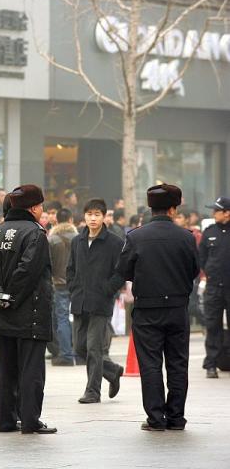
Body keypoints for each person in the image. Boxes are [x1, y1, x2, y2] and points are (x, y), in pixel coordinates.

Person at [116, 184, 199, 431]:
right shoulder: (186, 236)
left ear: (150, 208)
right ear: (173, 209)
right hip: (177, 307)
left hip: (147, 309)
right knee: (177, 363)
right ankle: (176, 418)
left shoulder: (135, 236)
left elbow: (124, 271)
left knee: (150, 364)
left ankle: (155, 418)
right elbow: (194, 270)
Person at [0, 184, 56, 434]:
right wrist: (11, 296)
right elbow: (28, 271)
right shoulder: (35, 233)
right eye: (41, 206)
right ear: (34, 208)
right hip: (29, 312)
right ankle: (30, 421)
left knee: (5, 369)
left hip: (2, 313)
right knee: (31, 369)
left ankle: (5, 421)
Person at [67, 199, 125, 403]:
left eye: (97, 214)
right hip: (80, 302)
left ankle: (93, 391)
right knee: (79, 348)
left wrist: (107, 290)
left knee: (93, 348)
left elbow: (120, 273)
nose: (93, 218)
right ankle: (112, 371)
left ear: (103, 216)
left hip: (100, 303)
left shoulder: (115, 242)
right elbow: (70, 269)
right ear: (84, 216)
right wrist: (73, 289)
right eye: (89, 214)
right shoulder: (77, 241)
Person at [199, 196, 230, 379]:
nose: (213, 214)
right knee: (213, 326)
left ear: (227, 213)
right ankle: (211, 363)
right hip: (214, 288)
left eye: (216, 210)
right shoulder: (210, 232)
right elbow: (202, 257)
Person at [48, 208, 78, 366]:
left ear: (57, 220)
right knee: (80, 318)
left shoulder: (52, 239)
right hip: (77, 284)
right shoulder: (79, 238)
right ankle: (80, 354)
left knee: (62, 319)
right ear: (71, 220)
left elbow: (47, 263)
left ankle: (65, 354)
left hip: (59, 285)